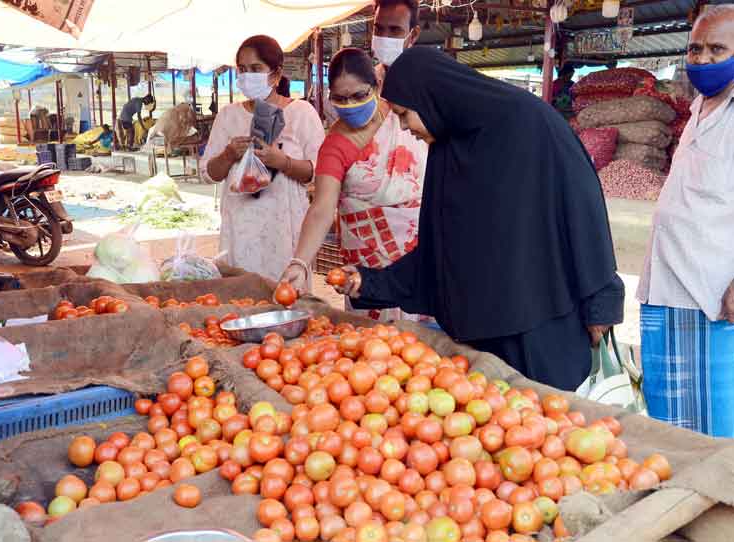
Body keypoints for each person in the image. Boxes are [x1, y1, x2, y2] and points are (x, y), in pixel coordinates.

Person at [333, 47, 625, 392]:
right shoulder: (446, 150)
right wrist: (369, 283)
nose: (404, 126)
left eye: (404, 114)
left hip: (544, 329)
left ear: (432, 97)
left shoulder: (531, 123)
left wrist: (602, 301)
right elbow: (440, 254)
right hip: (483, 343)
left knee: (554, 430)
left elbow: (584, 211)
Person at [637, 5, 734, 437]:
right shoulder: (698, 108)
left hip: (713, 298)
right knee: (670, 426)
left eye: (717, 48)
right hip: (667, 290)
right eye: (695, 49)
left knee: (716, 427)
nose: (702, 59)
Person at [279, 48, 428, 323]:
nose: (350, 105)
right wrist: (299, 262)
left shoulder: (405, 120)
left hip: (418, 260)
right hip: (367, 271)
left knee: (423, 353)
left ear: (377, 86)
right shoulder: (334, 146)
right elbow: (322, 208)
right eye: (340, 98)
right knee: (370, 345)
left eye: (359, 95)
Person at [200, 35, 325, 281]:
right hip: (240, 227)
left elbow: (319, 173)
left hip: (285, 229)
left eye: (256, 69)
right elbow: (207, 173)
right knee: (243, 296)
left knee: (286, 295)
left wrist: (283, 162)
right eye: (242, 70)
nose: (247, 76)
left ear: (275, 74)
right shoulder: (228, 116)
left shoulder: (301, 113)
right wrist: (228, 155)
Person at [371, 0, 422, 87]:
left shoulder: (424, 82)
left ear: (413, 35)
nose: (384, 37)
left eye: (394, 30)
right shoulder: (370, 80)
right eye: (379, 29)